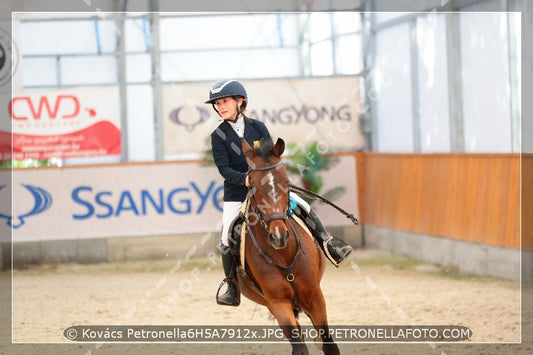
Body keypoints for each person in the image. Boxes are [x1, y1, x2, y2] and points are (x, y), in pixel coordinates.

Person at [206, 79, 353, 306]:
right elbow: (224, 169)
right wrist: (245, 179)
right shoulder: (218, 135)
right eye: (217, 103)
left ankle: (329, 245)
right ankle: (232, 284)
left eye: (225, 101)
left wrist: (269, 180)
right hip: (238, 191)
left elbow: (270, 156)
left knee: (304, 206)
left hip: (267, 188)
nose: (221, 106)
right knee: (227, 235)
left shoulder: (258, 127)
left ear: (240, 101)